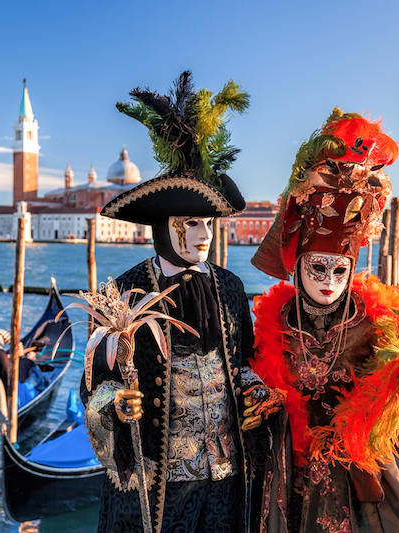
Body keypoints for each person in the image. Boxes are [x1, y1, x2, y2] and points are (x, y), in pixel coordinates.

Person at [248, 108, 399, 533]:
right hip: (294, 477)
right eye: (317, 269)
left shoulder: (380, 323)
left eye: (339, 271)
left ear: (352, 270)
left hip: (363, 478)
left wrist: (380, 408)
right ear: (298, 267)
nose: (329, 282)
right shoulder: (274, 325)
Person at [81, 71, 283, 533]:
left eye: (209, 223)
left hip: (228, 478)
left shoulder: (230, 287)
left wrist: (255, 389)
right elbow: (95, 382)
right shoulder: (124, 290)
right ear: (164, 225)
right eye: (191, 223)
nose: (204, 234)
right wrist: (116, 404)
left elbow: (242, 358)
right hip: (157, 483)